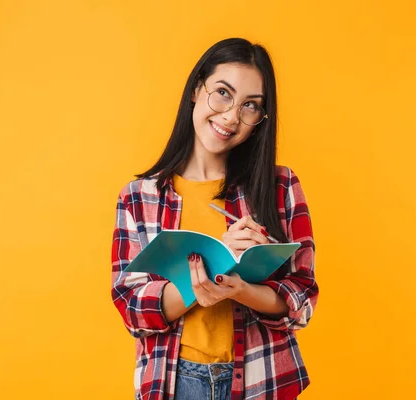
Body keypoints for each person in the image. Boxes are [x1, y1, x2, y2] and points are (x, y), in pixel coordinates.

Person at [111, 38, 318, 400]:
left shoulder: (280, 187)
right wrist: (211, 269)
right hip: (175, 384)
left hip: (262, 380)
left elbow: (301, 301)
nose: (231, 116)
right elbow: (133, 310)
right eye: (223, 93)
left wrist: (245, 290)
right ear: (196, 90)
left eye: (250, 106)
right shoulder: (139, 197)